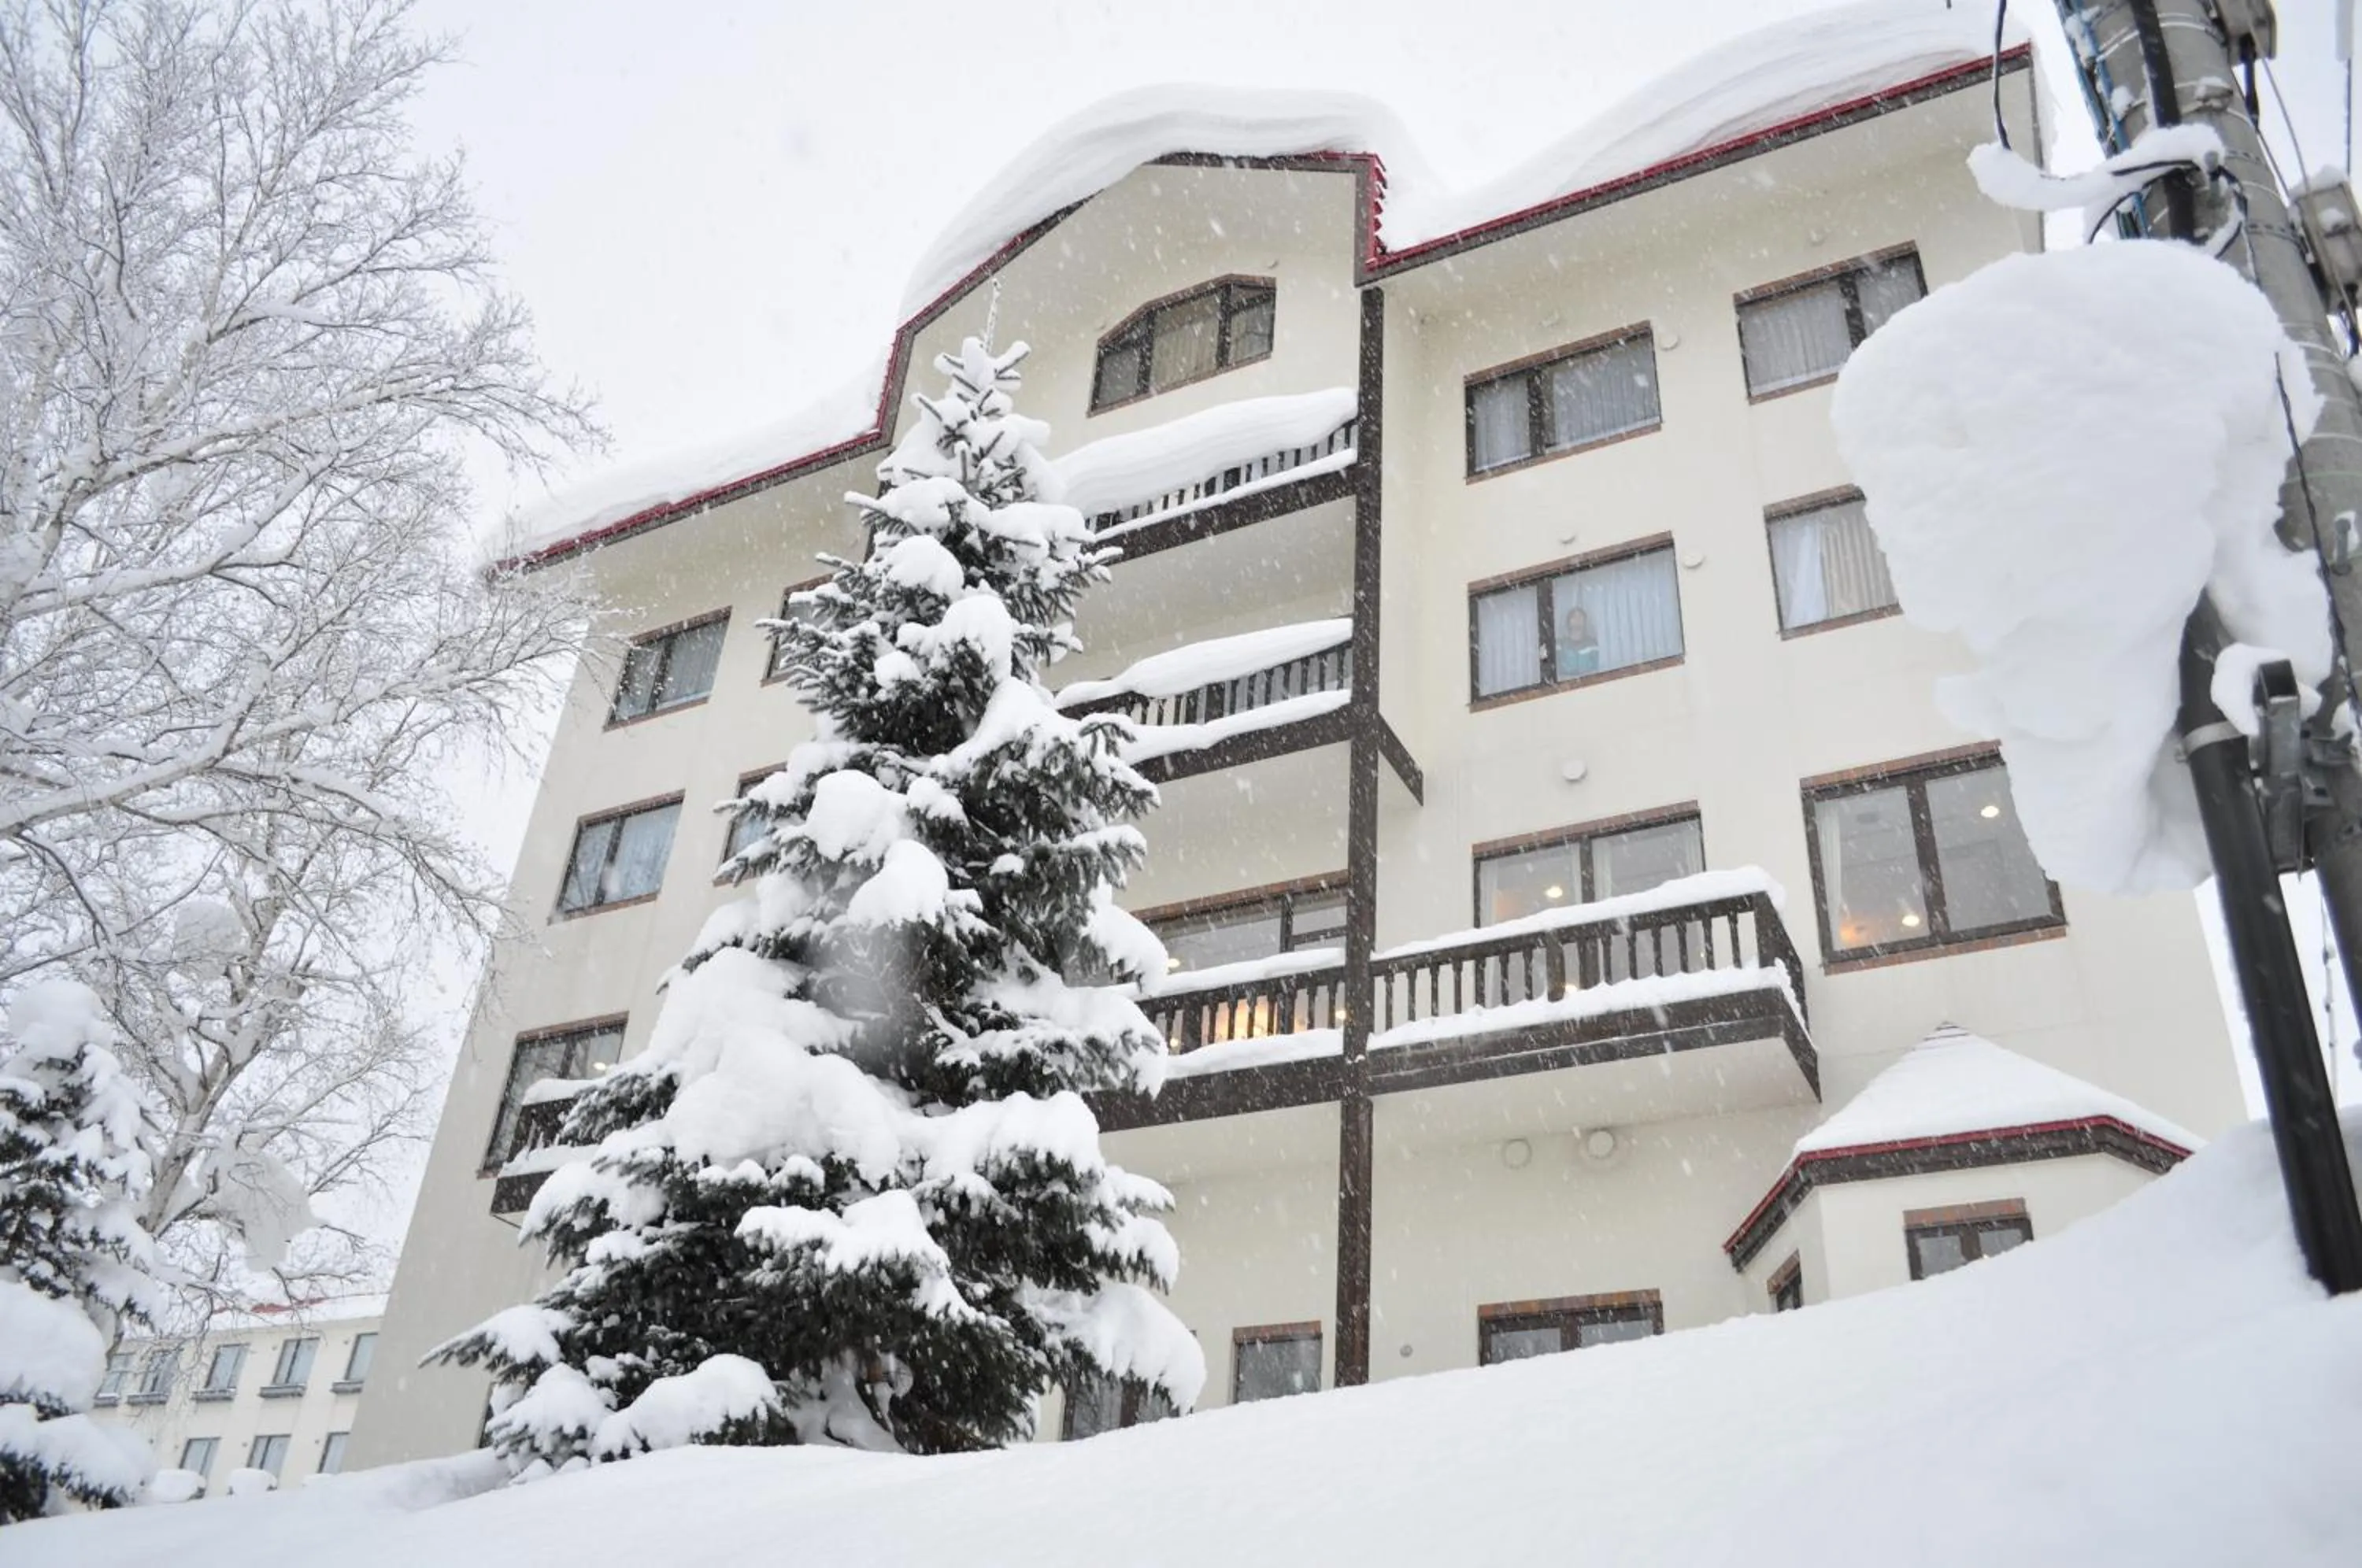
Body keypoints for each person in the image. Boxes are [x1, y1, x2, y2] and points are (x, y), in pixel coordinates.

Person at [1557, 605, 1602, 679]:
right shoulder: (1560, 645)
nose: (1577, 620)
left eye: (1580, 617)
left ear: (1585, 621)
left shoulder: (1592, 644)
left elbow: (1596, 667)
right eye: (1574, 617)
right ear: (1569, 621)